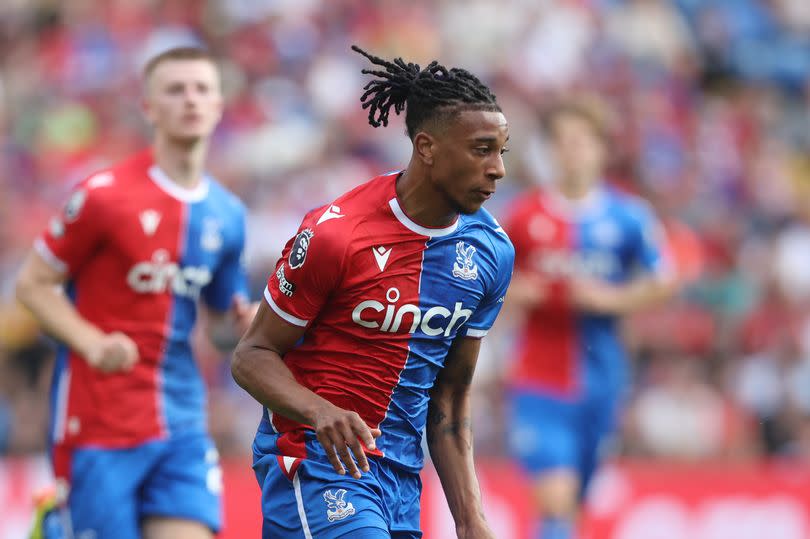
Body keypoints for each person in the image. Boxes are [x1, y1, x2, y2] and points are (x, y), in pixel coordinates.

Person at [231, 45, 514, 539]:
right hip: (315, 462)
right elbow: (251, 355)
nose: (498, 170)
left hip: (401, 480)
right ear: (426, 147)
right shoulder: (336, 235)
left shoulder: (491, 253)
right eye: (481, 150)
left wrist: (471, 518)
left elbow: (450, 394)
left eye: (501, 152)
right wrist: (320, 411)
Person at [15, 46, 257, 539]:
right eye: (175, 89)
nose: (190, 99)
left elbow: (218, 327)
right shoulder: (103, 196)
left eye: (201, 89)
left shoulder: (227, 214)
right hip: (99, 422)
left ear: (217, 105)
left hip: (182, 419)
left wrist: (245, 325)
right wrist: (93, 343)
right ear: (149, 107)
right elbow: (32, 285)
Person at [502, 98, 676, 539]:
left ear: (600, 149)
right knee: (555, 496)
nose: (571, 152)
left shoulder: (628, 216)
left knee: (574, 502)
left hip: (603, 377)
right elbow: (486, 284)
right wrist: (524, 290)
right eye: (561, 143)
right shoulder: (524, 215)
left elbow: (664, 278)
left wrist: (611, 299)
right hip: (539, 376)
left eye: (580, 142)